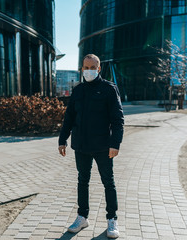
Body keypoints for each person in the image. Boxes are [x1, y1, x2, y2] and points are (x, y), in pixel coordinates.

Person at [58, 54, 124, 239]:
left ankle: (112, 219)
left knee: (108, 182)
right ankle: (82, 217)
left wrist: (115, 144)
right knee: (82, 181)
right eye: (86, 68)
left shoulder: (109, 89)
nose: (89, 71)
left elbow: (118, 120)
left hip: (103, 146)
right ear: (82, 69)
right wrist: (62, 140)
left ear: (99, 68)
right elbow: (69, 117)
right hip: (81, 145)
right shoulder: (78, 91)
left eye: (92, 67)